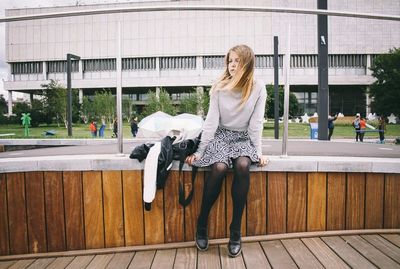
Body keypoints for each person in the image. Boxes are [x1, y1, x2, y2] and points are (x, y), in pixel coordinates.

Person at [185, 45, 268, 258]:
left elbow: (256, 123)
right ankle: (202, 223)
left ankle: (235, 231)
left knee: (242, 165)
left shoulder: (258, 87)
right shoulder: (219, 87)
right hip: (221, 134)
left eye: (237, 61)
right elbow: (211, 121)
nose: (232, 65)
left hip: (242, 137)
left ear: (247, 64)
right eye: (230, 61)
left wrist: (258, 151)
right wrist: (201, 151)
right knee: (220, 167)